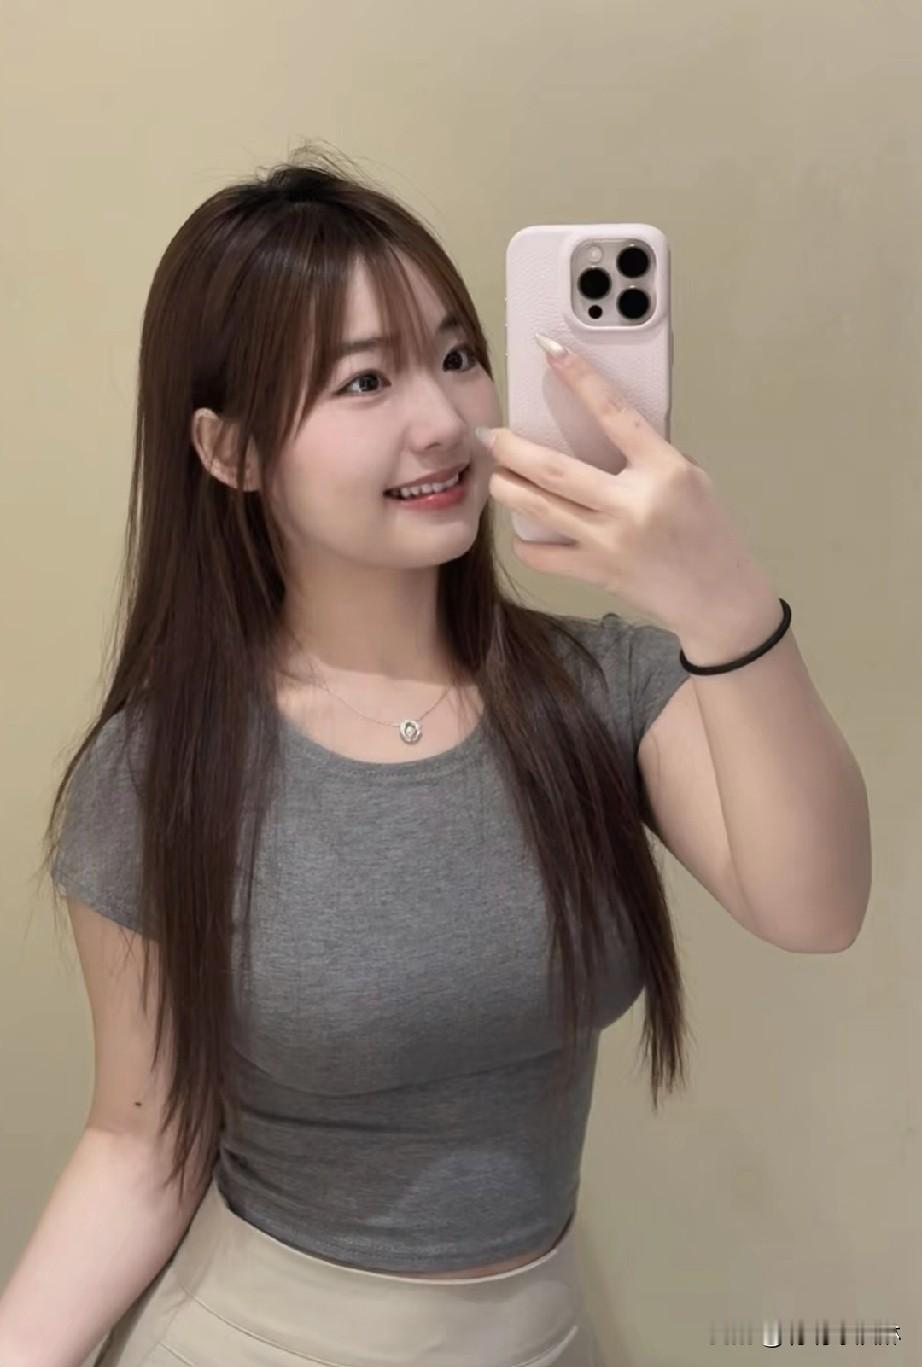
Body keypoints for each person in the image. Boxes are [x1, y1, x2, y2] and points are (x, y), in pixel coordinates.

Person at [26, 144, 696, 1366]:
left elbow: (819, 905)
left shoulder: (601, 691)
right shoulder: (159, 771)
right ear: (229, 452)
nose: (443, 421)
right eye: (365, 380)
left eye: (456, 355)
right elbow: (138, 1140)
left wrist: (718, 593)